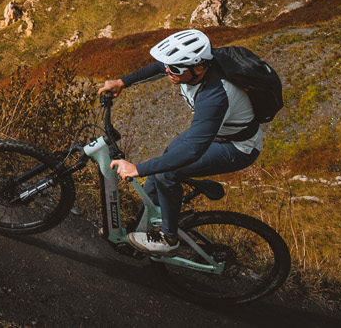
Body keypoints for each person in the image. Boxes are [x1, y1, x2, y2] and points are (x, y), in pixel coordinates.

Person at [99, 28, 261, 253]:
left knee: (166, 172)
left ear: (199, 67)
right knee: (163, 165)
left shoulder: (214, 96)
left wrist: (138, 168)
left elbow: (192, 151)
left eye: (174, 68)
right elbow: (160, 67)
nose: (168, 71)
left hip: (237, 147)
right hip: (218, 134)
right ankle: (144, 228)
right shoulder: (188, 69)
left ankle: (169, 239)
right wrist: (122, 82)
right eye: (168, 65)